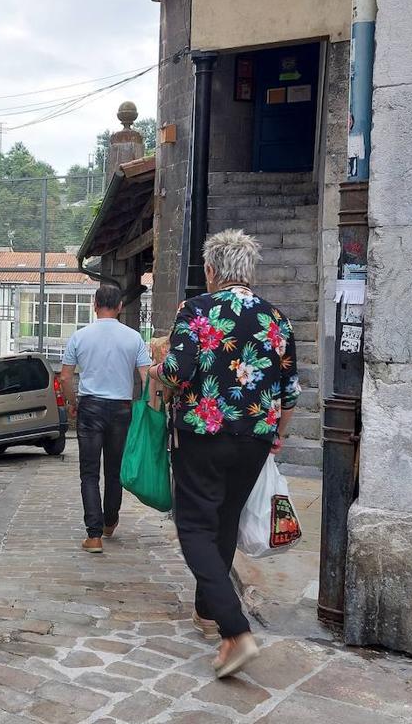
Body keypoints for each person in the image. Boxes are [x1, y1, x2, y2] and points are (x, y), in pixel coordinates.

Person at [149, 229, 301, 679]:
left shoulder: (197, 310)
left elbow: (177, 372)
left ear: (211, 271)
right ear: (249, 272)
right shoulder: (278, 320)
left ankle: (234, 629)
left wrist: (156, 369)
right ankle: (208, 609)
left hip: (202, 433)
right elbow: (288, 392)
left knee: (193, 525)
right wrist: (278, 436)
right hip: (254, 437)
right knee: (224, 521)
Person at [59, 283, 151, 554]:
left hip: (90, 408)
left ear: (94, 304)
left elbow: (65, 377)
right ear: (120, 306)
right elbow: (147, 377)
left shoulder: (80, 336)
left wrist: (72, 403)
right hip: (122, 409)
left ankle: (94, 535)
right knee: (114, 470)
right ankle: (110, 521)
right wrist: (147, 409)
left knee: (89, 472)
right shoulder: (134, 338)